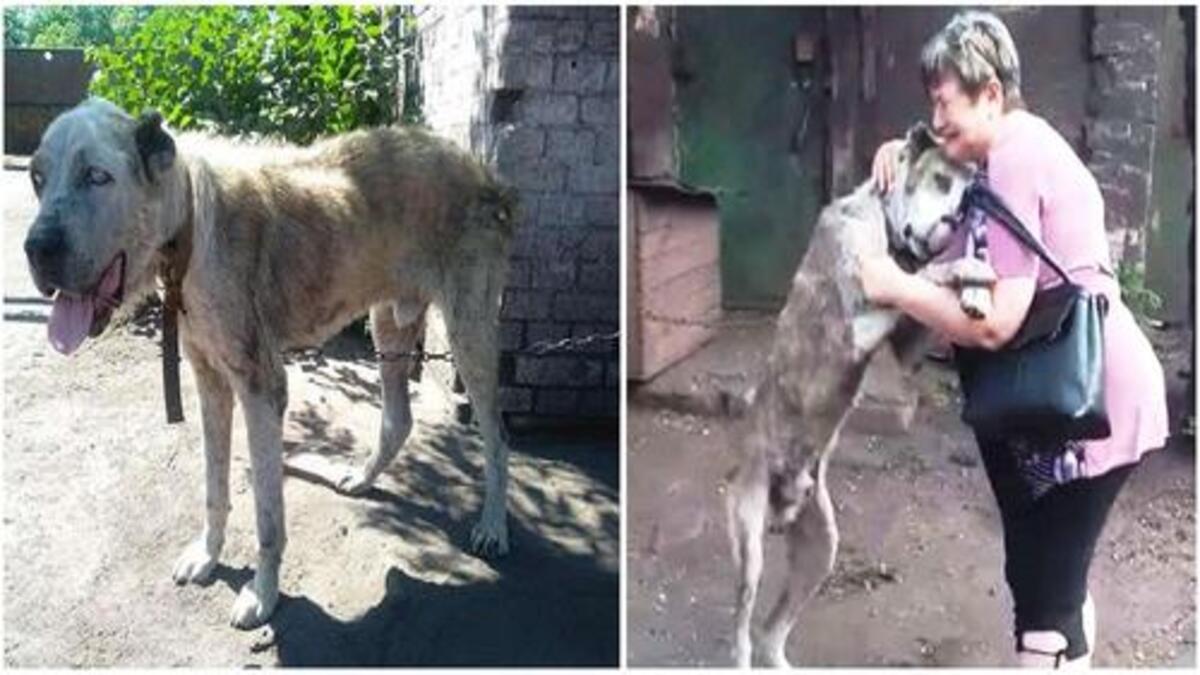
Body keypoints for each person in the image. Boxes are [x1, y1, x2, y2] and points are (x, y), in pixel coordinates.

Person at [863, 11, 1169, 668]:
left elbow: (999, 319)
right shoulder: (986, 163)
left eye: (945, 104)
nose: (935, 120)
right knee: (1044, 579)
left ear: (992, 94)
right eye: (930, 105)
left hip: (1088, 408)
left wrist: (896, 287)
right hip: (1054, 409)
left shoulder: (1018, 155)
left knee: (1045, 607)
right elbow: (943, 232)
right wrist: (902, 153)